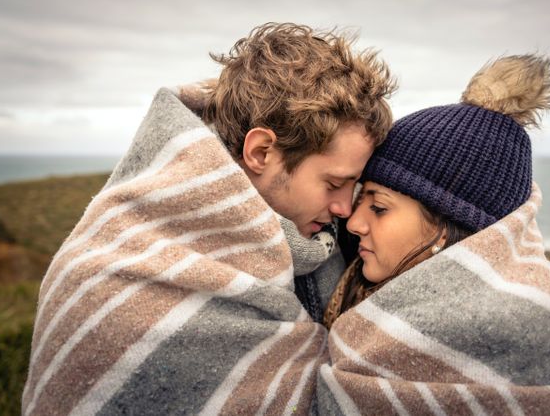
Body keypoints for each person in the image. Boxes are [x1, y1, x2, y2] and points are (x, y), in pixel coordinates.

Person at [22, 23, 395, 415]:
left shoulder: (321, 244)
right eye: (334, 183)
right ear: (262, 152)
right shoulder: (113, 277)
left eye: (353, 187)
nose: (344, 208)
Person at [318, 54, 550, 415]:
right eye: (359, 197)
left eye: (379, 207)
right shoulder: (344, 275)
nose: (354, 223)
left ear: (452, 225)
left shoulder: (511, 326)